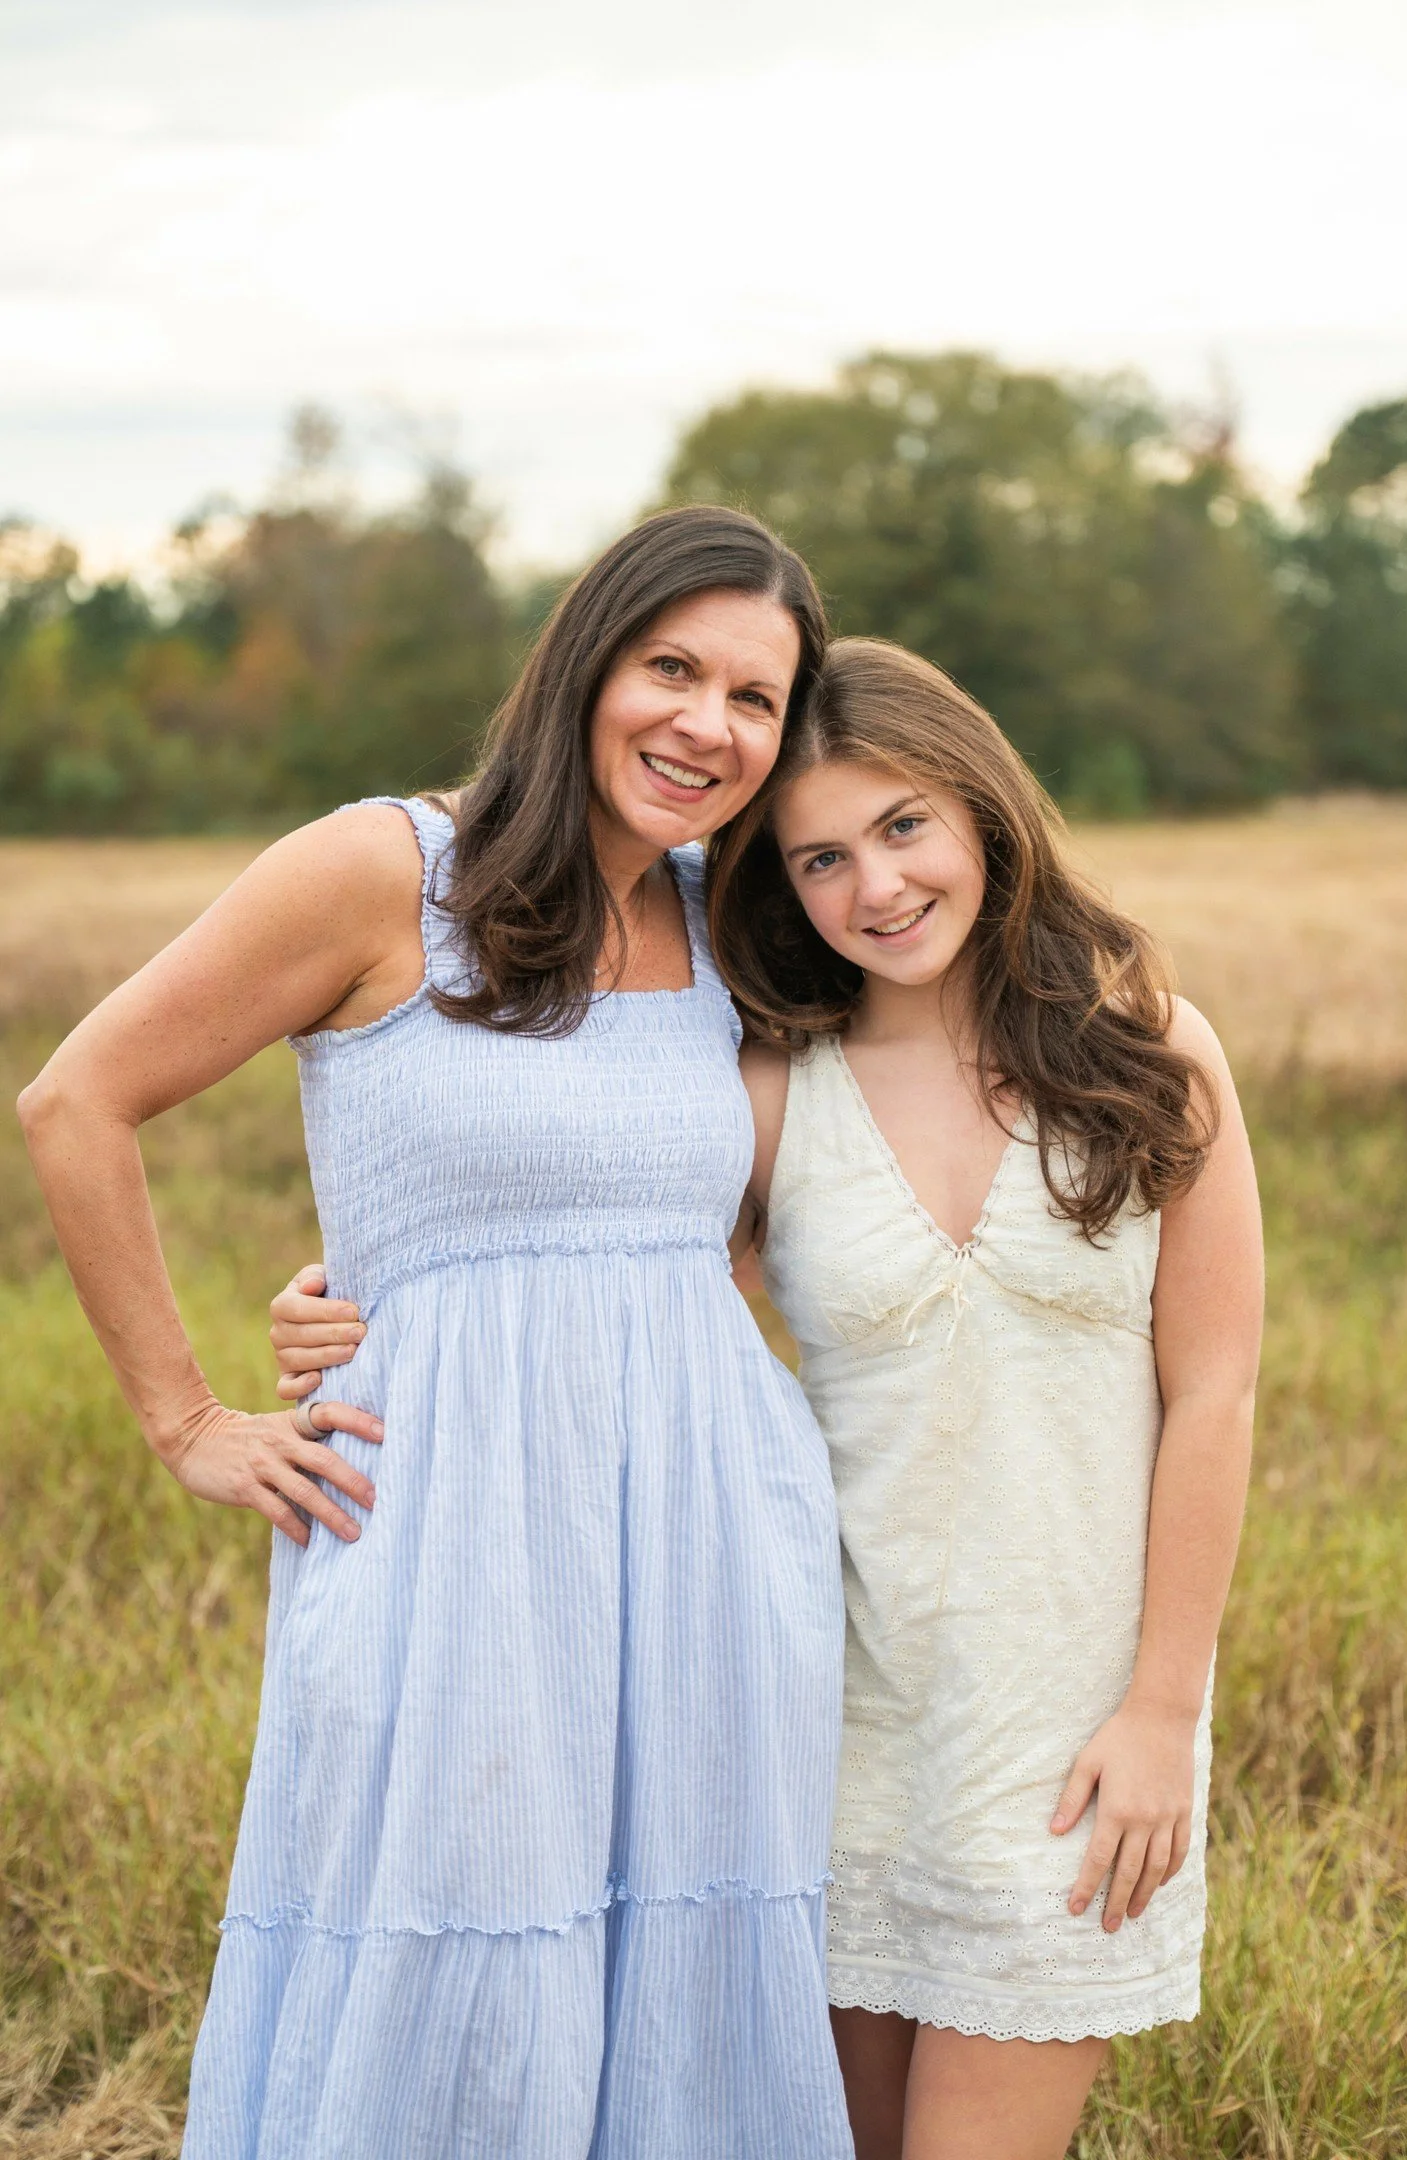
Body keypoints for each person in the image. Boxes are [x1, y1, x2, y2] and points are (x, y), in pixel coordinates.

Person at [273, 638, 1263, 2159]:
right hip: (816, 1723)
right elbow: (579, 1246)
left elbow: (1215, 1394)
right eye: (818, 858)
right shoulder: (774, 1084)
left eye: (905, 827)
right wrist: (359, 1297)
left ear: (983, 814)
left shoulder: (1151, 1058)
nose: (874, 887)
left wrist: (1161, 1710)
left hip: (1066, 1737)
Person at [18, 507, 856, 2160]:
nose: (708, 725)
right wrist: (192, 1419)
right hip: (448, 1532)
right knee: (458, 1958)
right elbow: (77, 1100)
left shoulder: (731, 915)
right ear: (582, 662)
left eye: (755, 699)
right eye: (671, 668)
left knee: (685, 1964)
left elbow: (746, 1207)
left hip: (703, 1542)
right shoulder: (385, 868)